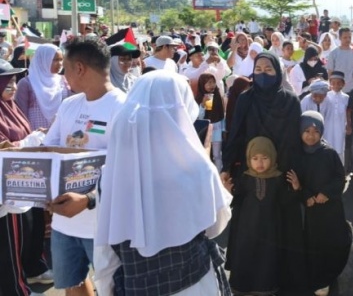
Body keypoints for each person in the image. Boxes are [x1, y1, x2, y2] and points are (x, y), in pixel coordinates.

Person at [94, 70, 233, 296]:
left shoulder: (112, 175)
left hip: (138, 285)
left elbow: (105, 252)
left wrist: (106, 288)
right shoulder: (196, 169)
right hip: (196, 283)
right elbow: (215, 225)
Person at [44, 37, 127, 296]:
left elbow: (125, 170)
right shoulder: (69, 105)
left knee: (114, 288)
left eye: (65, 68)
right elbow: (49, 150)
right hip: (64, 223)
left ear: (79, 68)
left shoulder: (122, 107)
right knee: (74, 284)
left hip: (104, 224)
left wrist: (89, 199)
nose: (63, 75)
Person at [221, 52, 306, 293]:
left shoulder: (290, 101)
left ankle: (276, 279)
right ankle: (245, 281)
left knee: (279, 226)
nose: (262, 74)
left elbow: (293, 142)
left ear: (278, 72)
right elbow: (235, 132)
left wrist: (290, 175)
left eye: (268, 69)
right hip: (250, 173)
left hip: (280, 176)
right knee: (249, 228)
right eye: (258, 69)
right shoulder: (247, 98)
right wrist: (228, 167)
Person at [224, 136, 301, 295]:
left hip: (270, 229)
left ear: (272, 157)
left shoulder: (278, 178)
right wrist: (228, 191)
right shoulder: (245, 177)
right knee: (245, 255)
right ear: (249, 159)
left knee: (267, 258)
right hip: (247, 229)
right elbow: (236, 199)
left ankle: (265, 288)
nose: (260, 163)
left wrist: (295, 188)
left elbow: (284, 201)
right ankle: (242, 287)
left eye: (265, 158)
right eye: (255, 158)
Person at [0, 60, 51, 296]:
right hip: (6, 189)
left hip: (22, 181)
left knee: (25, 235)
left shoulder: (10, 107)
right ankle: (17, 290)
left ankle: (25, 278)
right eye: (6, 81)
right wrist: (30, 141)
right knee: (9, 243)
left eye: (13, 80)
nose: (12, 85)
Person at [293, 111, 351, 296]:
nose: (311, 135)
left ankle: (327, 278)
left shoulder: (329, 153)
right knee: (313, 244)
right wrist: (305, 196)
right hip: (310, 211)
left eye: (315, 131)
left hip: (330, 207)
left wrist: (326, 193)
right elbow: (297, 181)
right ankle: (317, 278)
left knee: (332, 242)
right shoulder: (297, 154)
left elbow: (339, 177)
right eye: (307, 130)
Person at [15, 44, 71, 130]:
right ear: (43, 60)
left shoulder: (64, 81)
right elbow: (21, 115)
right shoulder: (26, 84)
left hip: (59, 132)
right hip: (35, 136)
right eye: (55, 60)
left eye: (61, 59)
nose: (60, 64)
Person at [197, 73, 226, 169]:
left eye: (213, 82)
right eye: (209, 83)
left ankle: (218, 173)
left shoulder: (217, 95)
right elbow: (199, 118)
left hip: (216, 130)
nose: (212, 85)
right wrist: (202, 104)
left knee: (217, 155)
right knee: (206, 154)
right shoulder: (199, 98)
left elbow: (221, 115)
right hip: (205, 131)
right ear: (202, 84)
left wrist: (223, 130)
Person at [326, 28, 353, 94]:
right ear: (340, 38)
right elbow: (330, 71)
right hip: (338, 89)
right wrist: (331, 86)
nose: (348, 39)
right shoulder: (333, 53)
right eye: (345, 37)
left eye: (349, 37)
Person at [324, 71, 348, 163]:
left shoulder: (346, 98)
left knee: (340, 148)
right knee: (327, 146)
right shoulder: (326, 96)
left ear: (343, 84)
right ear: (330, 84)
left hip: (340, 128)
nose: (336, 85)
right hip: (328, 128)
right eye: (333, 83)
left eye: (339, 83)